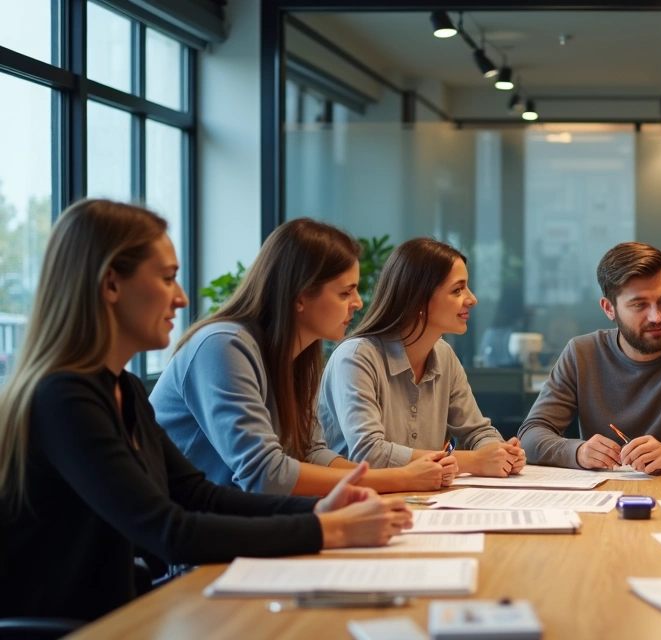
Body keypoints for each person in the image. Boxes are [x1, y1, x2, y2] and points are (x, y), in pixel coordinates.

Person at [0, 201, 409, 622]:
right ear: (110, 285)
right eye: (167, 278)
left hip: (123, 613)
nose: (180, 298)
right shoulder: (64, 399)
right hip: (79, 626)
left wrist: (318, 511)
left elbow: (198, 495)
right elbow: (169, 530)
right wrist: (329, 529)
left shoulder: (124, 388)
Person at [151, 218, 457, 496]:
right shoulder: (222, 346)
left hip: (246, 523)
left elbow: (311, 454)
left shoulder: (300, 355)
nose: (358, 302)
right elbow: (265, 475)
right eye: (344, 293)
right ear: (300, 296)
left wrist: (395, 479)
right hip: (187, 541)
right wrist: (399, 479)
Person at [518, 242, 661, 474]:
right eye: (639, 305)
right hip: (603, 495)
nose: (657, 316)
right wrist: (577, 452)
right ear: (609, 308)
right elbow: (531, 434)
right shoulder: (581, 353)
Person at [320, 238, 526, 477]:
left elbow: (476, 432)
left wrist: (500, 452)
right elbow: (369, 453)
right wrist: (473, 461)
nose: (472, 298)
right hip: (356, 502)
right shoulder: (356, 357)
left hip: (423, 497)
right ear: (418, 299)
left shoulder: (444, 354)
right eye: (457, 290)